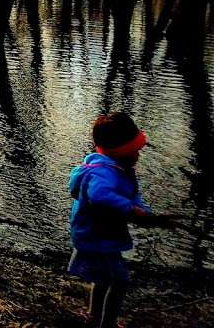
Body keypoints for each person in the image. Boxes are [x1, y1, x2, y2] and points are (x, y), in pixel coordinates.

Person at [68, 112, 171, 327]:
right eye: (135, 150)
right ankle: (108, 322)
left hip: (100, 234)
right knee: (120, 281)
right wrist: (130, 209)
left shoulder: (115, 168)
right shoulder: (104, 173)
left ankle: (94, 316)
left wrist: (146, 212)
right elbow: (99, 195)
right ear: (121, 151)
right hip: (96, 236)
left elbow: (132, 195)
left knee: (103, 279)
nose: (138, 155)